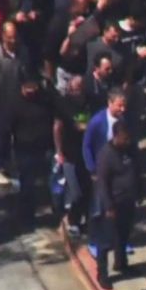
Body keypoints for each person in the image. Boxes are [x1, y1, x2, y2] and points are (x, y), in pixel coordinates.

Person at [92, 121, 140, 289]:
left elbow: (137, 171)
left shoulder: (131, 149)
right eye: (124, 139)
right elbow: (103, 183)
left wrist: (139, 193)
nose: (128, 142)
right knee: (106, 241)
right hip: (113, 204)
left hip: (128, 201)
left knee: (124, 235)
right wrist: (109, 206)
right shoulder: (106, 155)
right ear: (116, 136)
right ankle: (102, 273)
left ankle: (121, 263)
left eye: (129, 138)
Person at [0, 20, 30, 186]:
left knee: (13, 139)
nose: (13, 41)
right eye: (10, 37)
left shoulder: (23, 53)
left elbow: (27, 74)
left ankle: (9, 166)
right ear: (3, 36)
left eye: (15, 37)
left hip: (18, 105)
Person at [10, 76, 55, 230]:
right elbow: (7, 127)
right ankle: (25, 217)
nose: (30, 91)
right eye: (27, 88)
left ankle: (49, 212)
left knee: (46, 183)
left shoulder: (44, 100)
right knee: (27, 185)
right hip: (24, 149)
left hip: (43, 147)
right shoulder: (15, 103)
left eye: (33, 87)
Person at [52, 75, 92, 235]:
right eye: (74, 89)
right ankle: (72, 219)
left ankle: (86, 220)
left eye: (80, 89)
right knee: (76, 192)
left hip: (86, 154)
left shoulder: (90, 102)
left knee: (88, 190)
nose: (77, 92)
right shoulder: (63, 104)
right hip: (70, 155)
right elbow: (57, 128)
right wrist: (59, 152)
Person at [82, 87, 126, 179]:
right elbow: (87, 145)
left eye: (124, 106)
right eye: (119, 106)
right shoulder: (96, 121)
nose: (123, 109)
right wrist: (92, 169)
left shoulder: (123, 119)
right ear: (110, 103)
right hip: (101, 166)